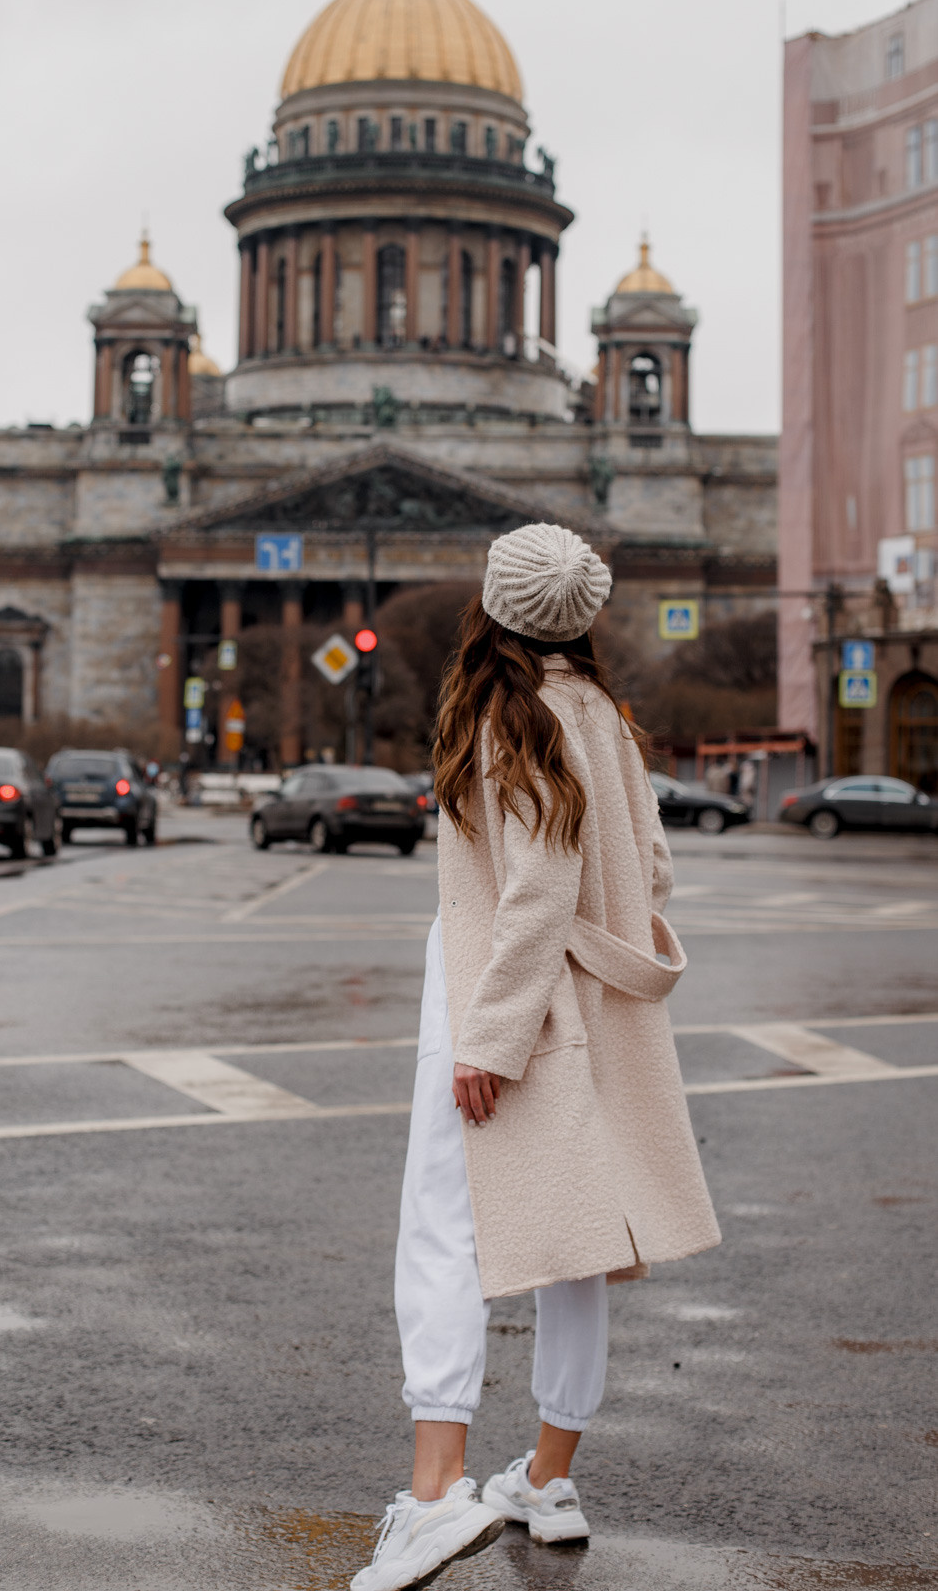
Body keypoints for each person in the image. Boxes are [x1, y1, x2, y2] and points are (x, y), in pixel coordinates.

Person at [351, 523, 721, 1591]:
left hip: (504, 989)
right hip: (593, 1002)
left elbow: (536, 885)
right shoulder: (604, 714)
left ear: (492, 604)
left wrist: (493, 1034)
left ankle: (432, 1498)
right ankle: (545, 1480)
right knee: (576, 1237)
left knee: (440, 1225)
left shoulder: (505, 713)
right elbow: (646, 866)